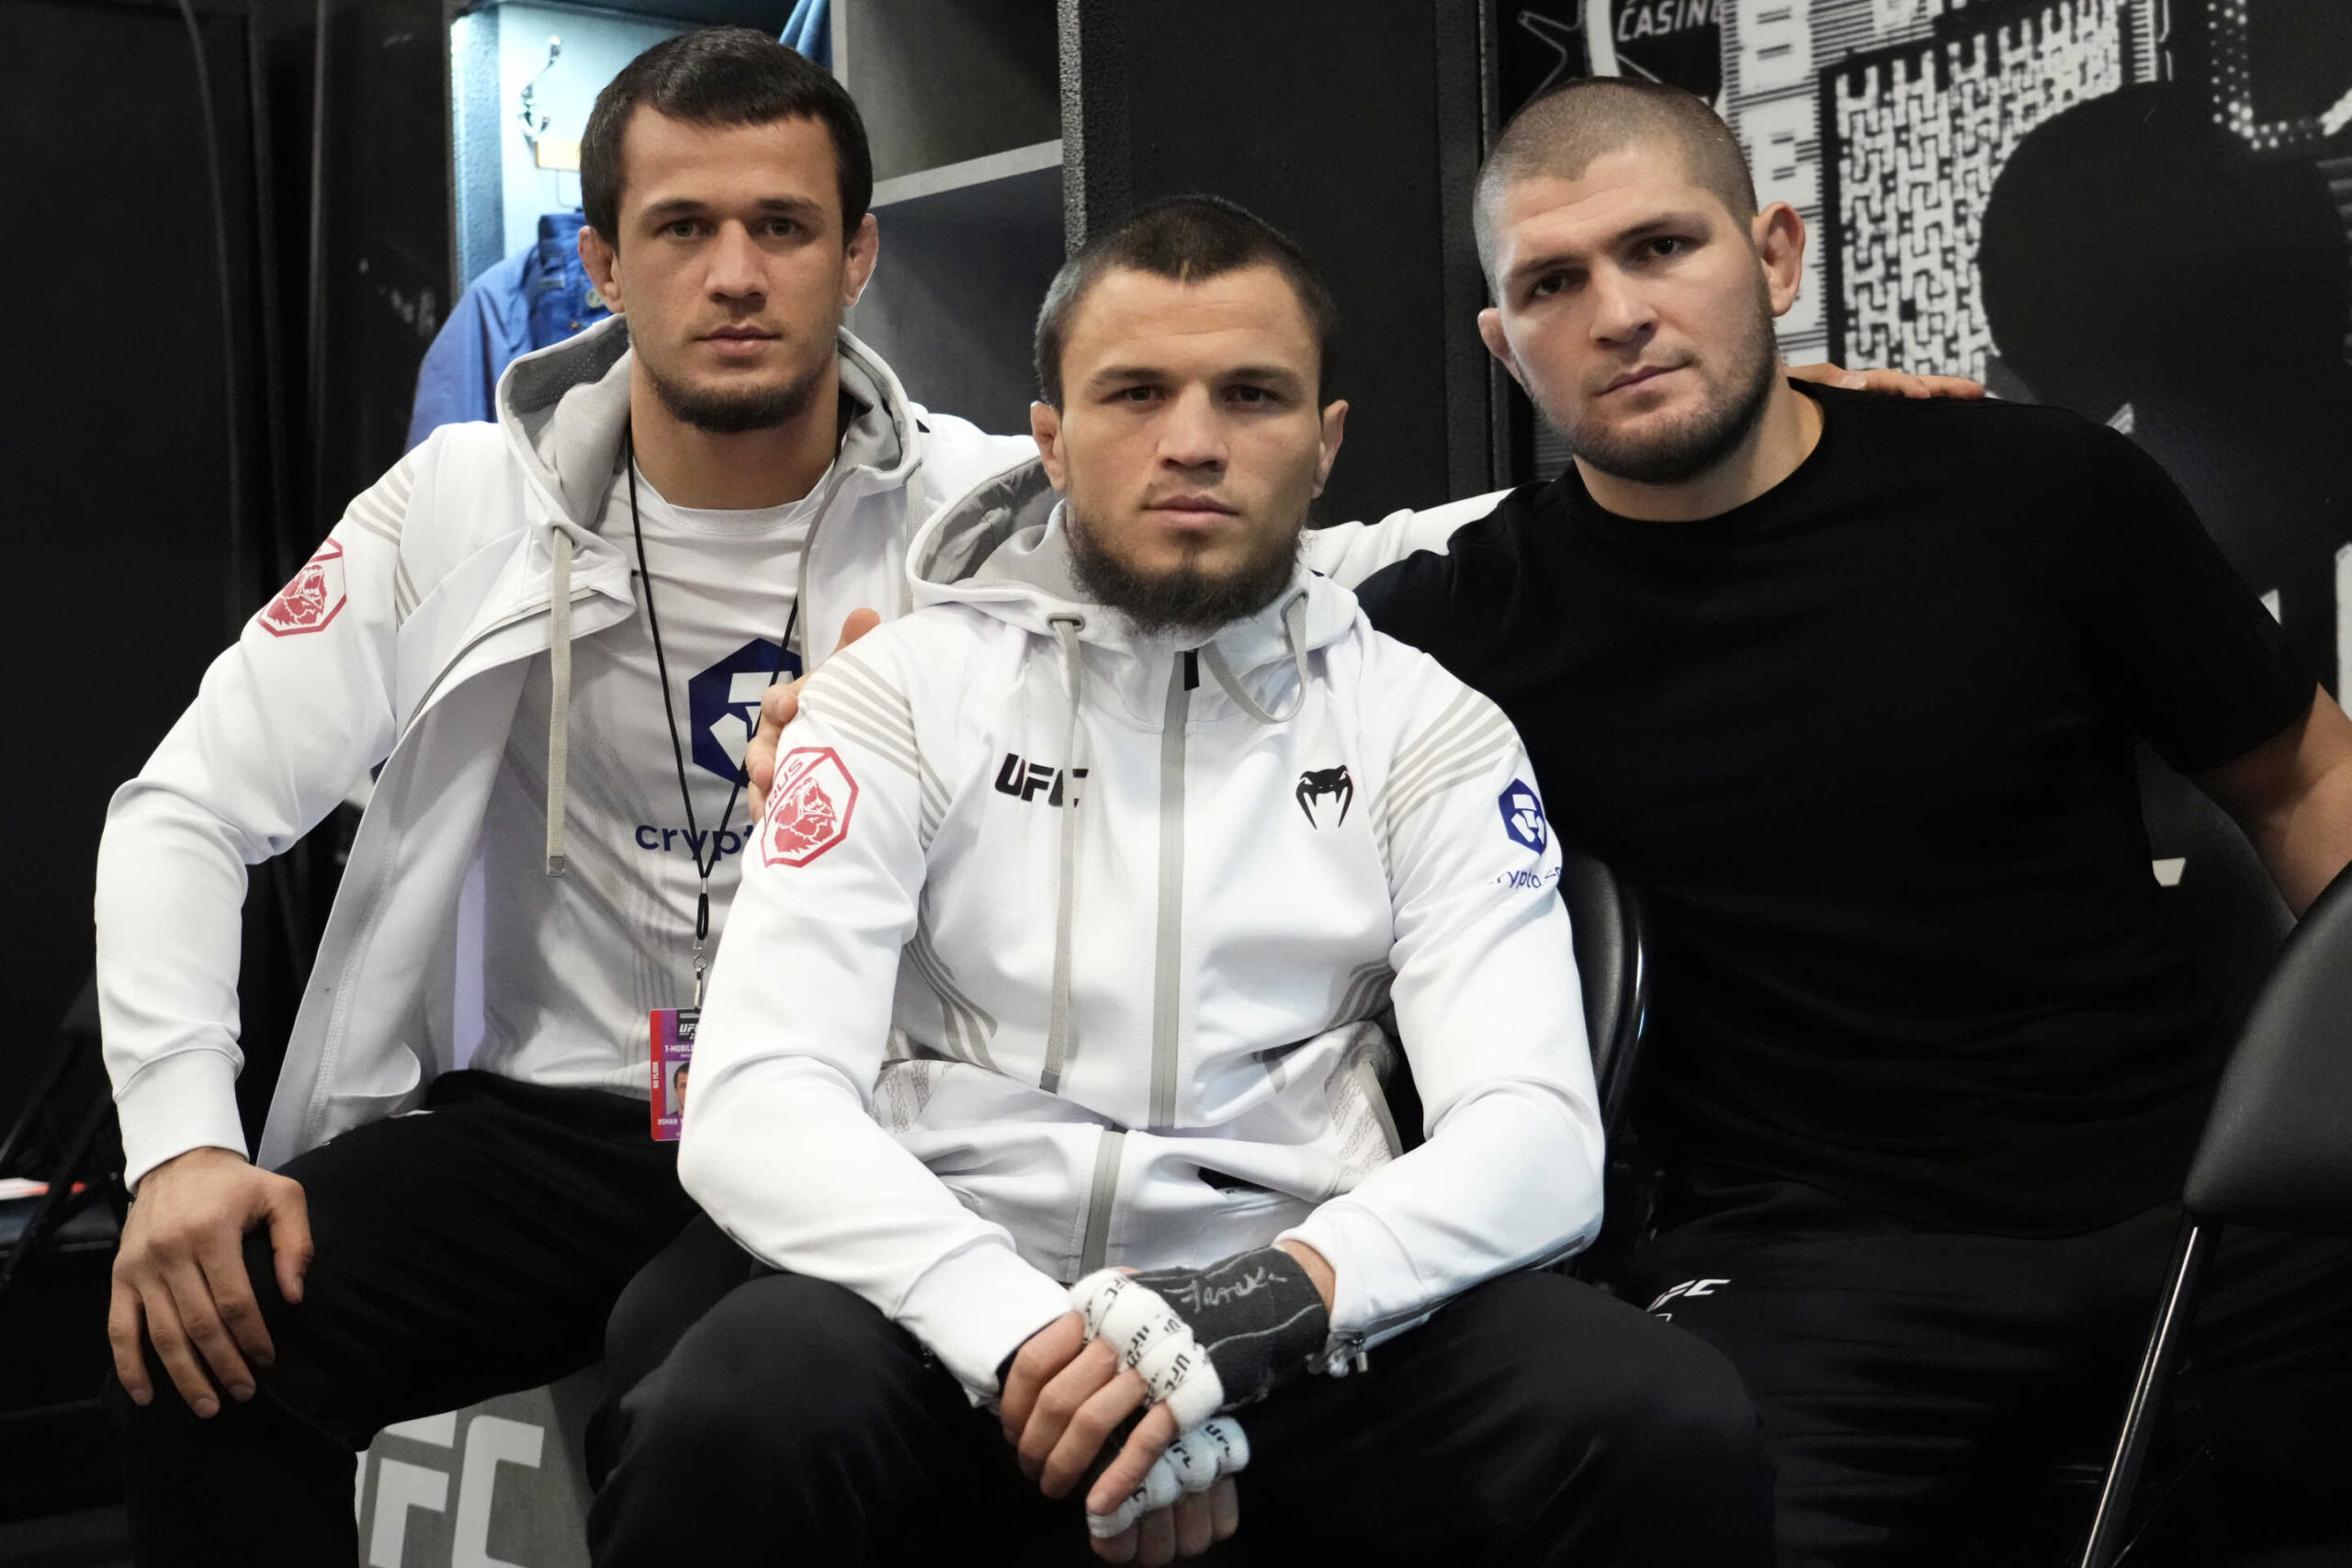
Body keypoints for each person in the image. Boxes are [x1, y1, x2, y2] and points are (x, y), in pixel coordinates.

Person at [590, 195, 1772, 1567]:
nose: (1193, 441)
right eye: (1136, 392)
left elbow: (1536, 1141)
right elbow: (756, 1098)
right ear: (1051, 439)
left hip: (1303, 1327)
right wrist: (1037, 1345)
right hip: (955, 1314)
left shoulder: (1428, 729)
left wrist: (1244, 1321)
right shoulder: (896, 699)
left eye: (1252, 395)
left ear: (1325, 445)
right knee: (737, 1408)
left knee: (1659, 1416)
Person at [1319, 80, 2352, 1562]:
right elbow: (1182, 618)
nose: (1617, 313)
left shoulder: (2043, 492)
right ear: (1505, 345)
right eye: (1553, 283)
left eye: (1663, 247)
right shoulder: (1451, 630)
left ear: (1777, 255)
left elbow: (2306, 781)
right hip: (1807, 1261)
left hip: (2189, 1209)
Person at [92, 28, 1032, 1562]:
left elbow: (1293, 584)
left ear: (858, 257)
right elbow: (184, 808)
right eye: (682, 228)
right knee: (207, 1341)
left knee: (705, 1401)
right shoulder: (466, 502)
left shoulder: (983, 524)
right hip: (562, 1122)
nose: (735, 274)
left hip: (866, 1113)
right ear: (601, 261)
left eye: (783, 227)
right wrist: (185, 1144)